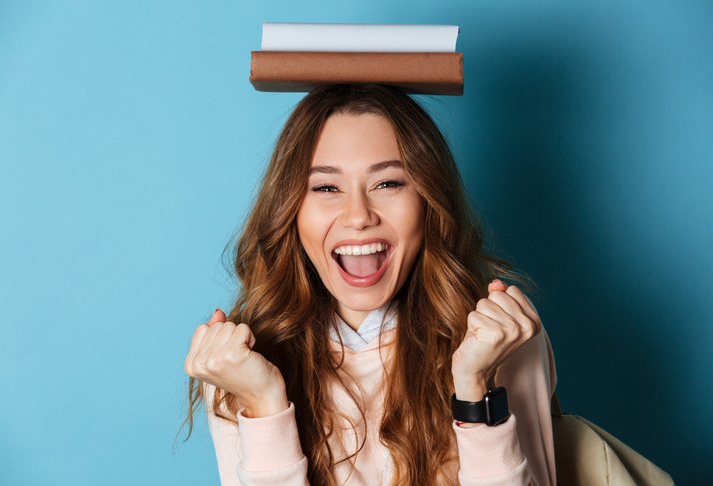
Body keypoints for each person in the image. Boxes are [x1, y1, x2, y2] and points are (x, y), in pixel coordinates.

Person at [182, 83, 557, 485]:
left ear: (429, 201)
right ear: (289, 209)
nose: (358, 215)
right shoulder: (239, 362)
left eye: (388, 183)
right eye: (326, 187)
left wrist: (474, 390)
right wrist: (264, 405)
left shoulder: (500, 338)